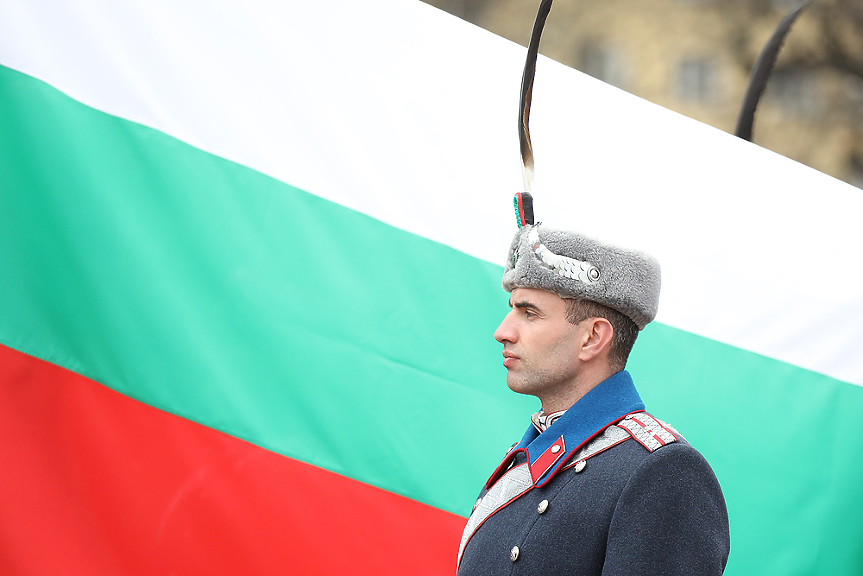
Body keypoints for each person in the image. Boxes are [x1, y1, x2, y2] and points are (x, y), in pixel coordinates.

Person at [455, 221, 730, 575]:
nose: (503, 331)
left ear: (592, 338)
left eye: (529, 313)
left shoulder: (662, 472)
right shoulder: (526, 458)